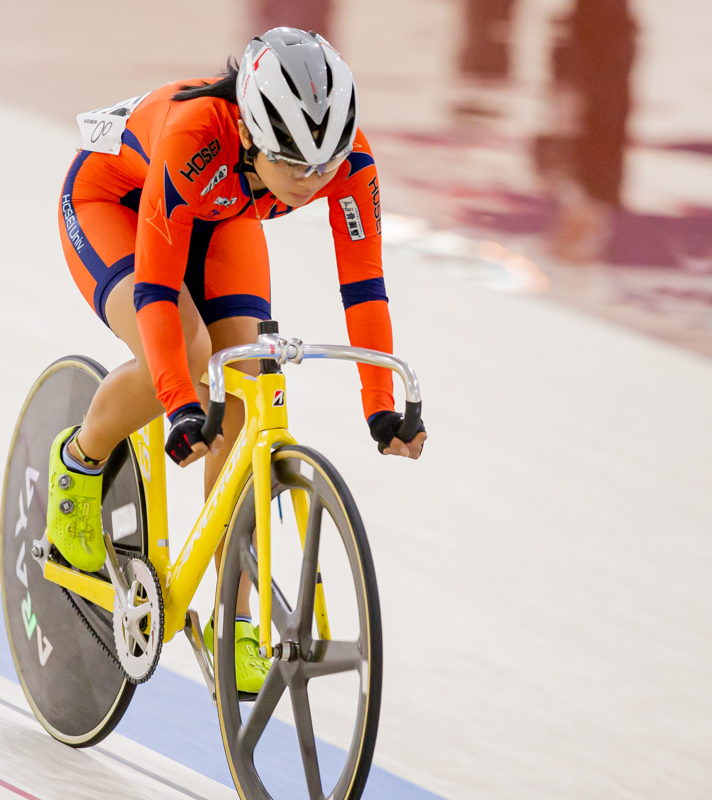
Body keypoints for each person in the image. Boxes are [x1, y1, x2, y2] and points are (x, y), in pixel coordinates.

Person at [51, 28, 426, 693]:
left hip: (223, 214)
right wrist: (180, 405)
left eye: (325, 166)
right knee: (192, 355)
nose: (313, 184)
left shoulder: (348, 160)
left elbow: (364, 284)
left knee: (245, 387)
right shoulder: (195, 137)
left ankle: (237, 618)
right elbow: (157, 291)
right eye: (297, 168)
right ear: (252, 136)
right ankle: (79, 462)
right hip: (114, 202)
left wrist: (380, 409)